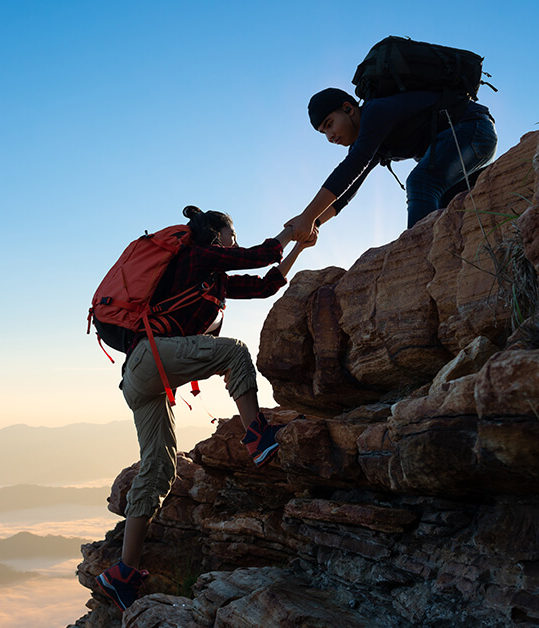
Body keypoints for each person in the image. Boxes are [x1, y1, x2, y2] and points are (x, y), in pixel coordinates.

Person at [94, 206, 314, 612]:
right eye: (231, 235)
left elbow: (265, 285)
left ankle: (122, 573)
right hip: (151, 359)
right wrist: (290, 231)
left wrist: (297, 247)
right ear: (217, 234)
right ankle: (259, 437)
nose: (233, 242)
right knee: (235, 352)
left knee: (159, 469)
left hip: (141, 376)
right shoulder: (196, 255)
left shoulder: (211, 281)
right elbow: (258, 255)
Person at [285, 87, 497, 240]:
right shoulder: (372, 139)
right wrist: (314, 222)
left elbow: (351, 167)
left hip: (473, 130)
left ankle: (415, 267)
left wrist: (308, 215)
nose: (330, 136)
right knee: (445, 209)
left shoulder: (376, 113)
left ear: (348, 108)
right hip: (463, 145)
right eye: (324, 132)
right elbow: (346, 193)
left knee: (421, 183)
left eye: (330, 124)